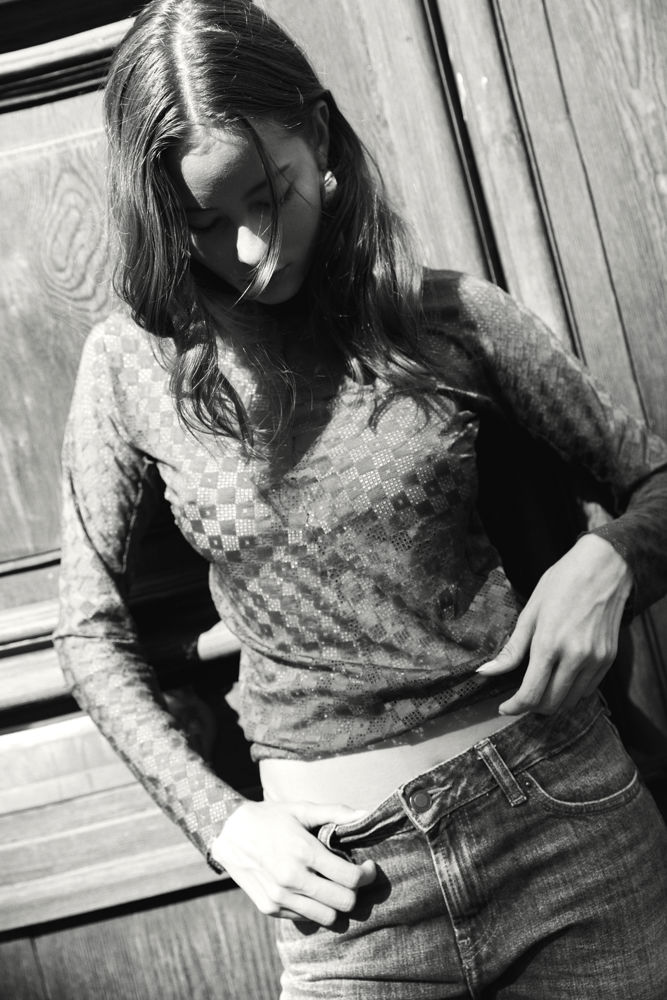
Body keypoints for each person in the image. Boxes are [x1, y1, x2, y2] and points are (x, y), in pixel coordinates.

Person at [54, 1, 667, 996]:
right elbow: (87, 630)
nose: (251, 247)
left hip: (565, 831)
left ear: (321, 138)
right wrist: (220, 822)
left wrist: (612, 559)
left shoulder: (449, 317)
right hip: (345, 898)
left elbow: (654, 483)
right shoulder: (132, 367)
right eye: (204, 223)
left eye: (270, 194)